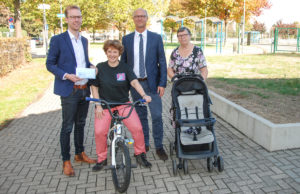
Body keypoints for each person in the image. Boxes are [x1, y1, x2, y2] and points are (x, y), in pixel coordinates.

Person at [46, 5, 96, 177]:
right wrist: (66, 75)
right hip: (69, 91)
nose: (76, 20)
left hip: (84, 90)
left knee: (81, 125)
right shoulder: (58, 40)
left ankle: (79, 154)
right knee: (67, 127)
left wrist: (91, 66)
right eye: (73, 17)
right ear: (66, 19)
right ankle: (66, 160)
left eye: (79, 17)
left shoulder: (84, 40)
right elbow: (50, 64)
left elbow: (84, 62)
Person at [90, 40, 152, 171]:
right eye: (109, 51)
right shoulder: (100, 67)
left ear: (119, 53)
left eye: (115, 52)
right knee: (99, 131)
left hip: (123, 104)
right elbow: (94, 87)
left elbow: (135, 82)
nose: (112, 54)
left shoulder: (125, 67)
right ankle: (101, 158)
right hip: (105, 105)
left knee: (137, 128)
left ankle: (140, 154)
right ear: (106, 52)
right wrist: (98, 105)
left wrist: (144, 95)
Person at [121, 8, 168, 161]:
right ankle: (145, 143)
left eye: (142, 16)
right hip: (135, 86)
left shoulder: (156, 38)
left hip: (152, 85)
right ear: (133, 19)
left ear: (147, 18)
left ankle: (159, 146)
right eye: (137, 16)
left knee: (156, 116)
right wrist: (123, 85)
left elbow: (162, 61)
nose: (140, 18)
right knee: (140, 117)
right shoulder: (126, 39)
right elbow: (124, 63)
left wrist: (162, 83)